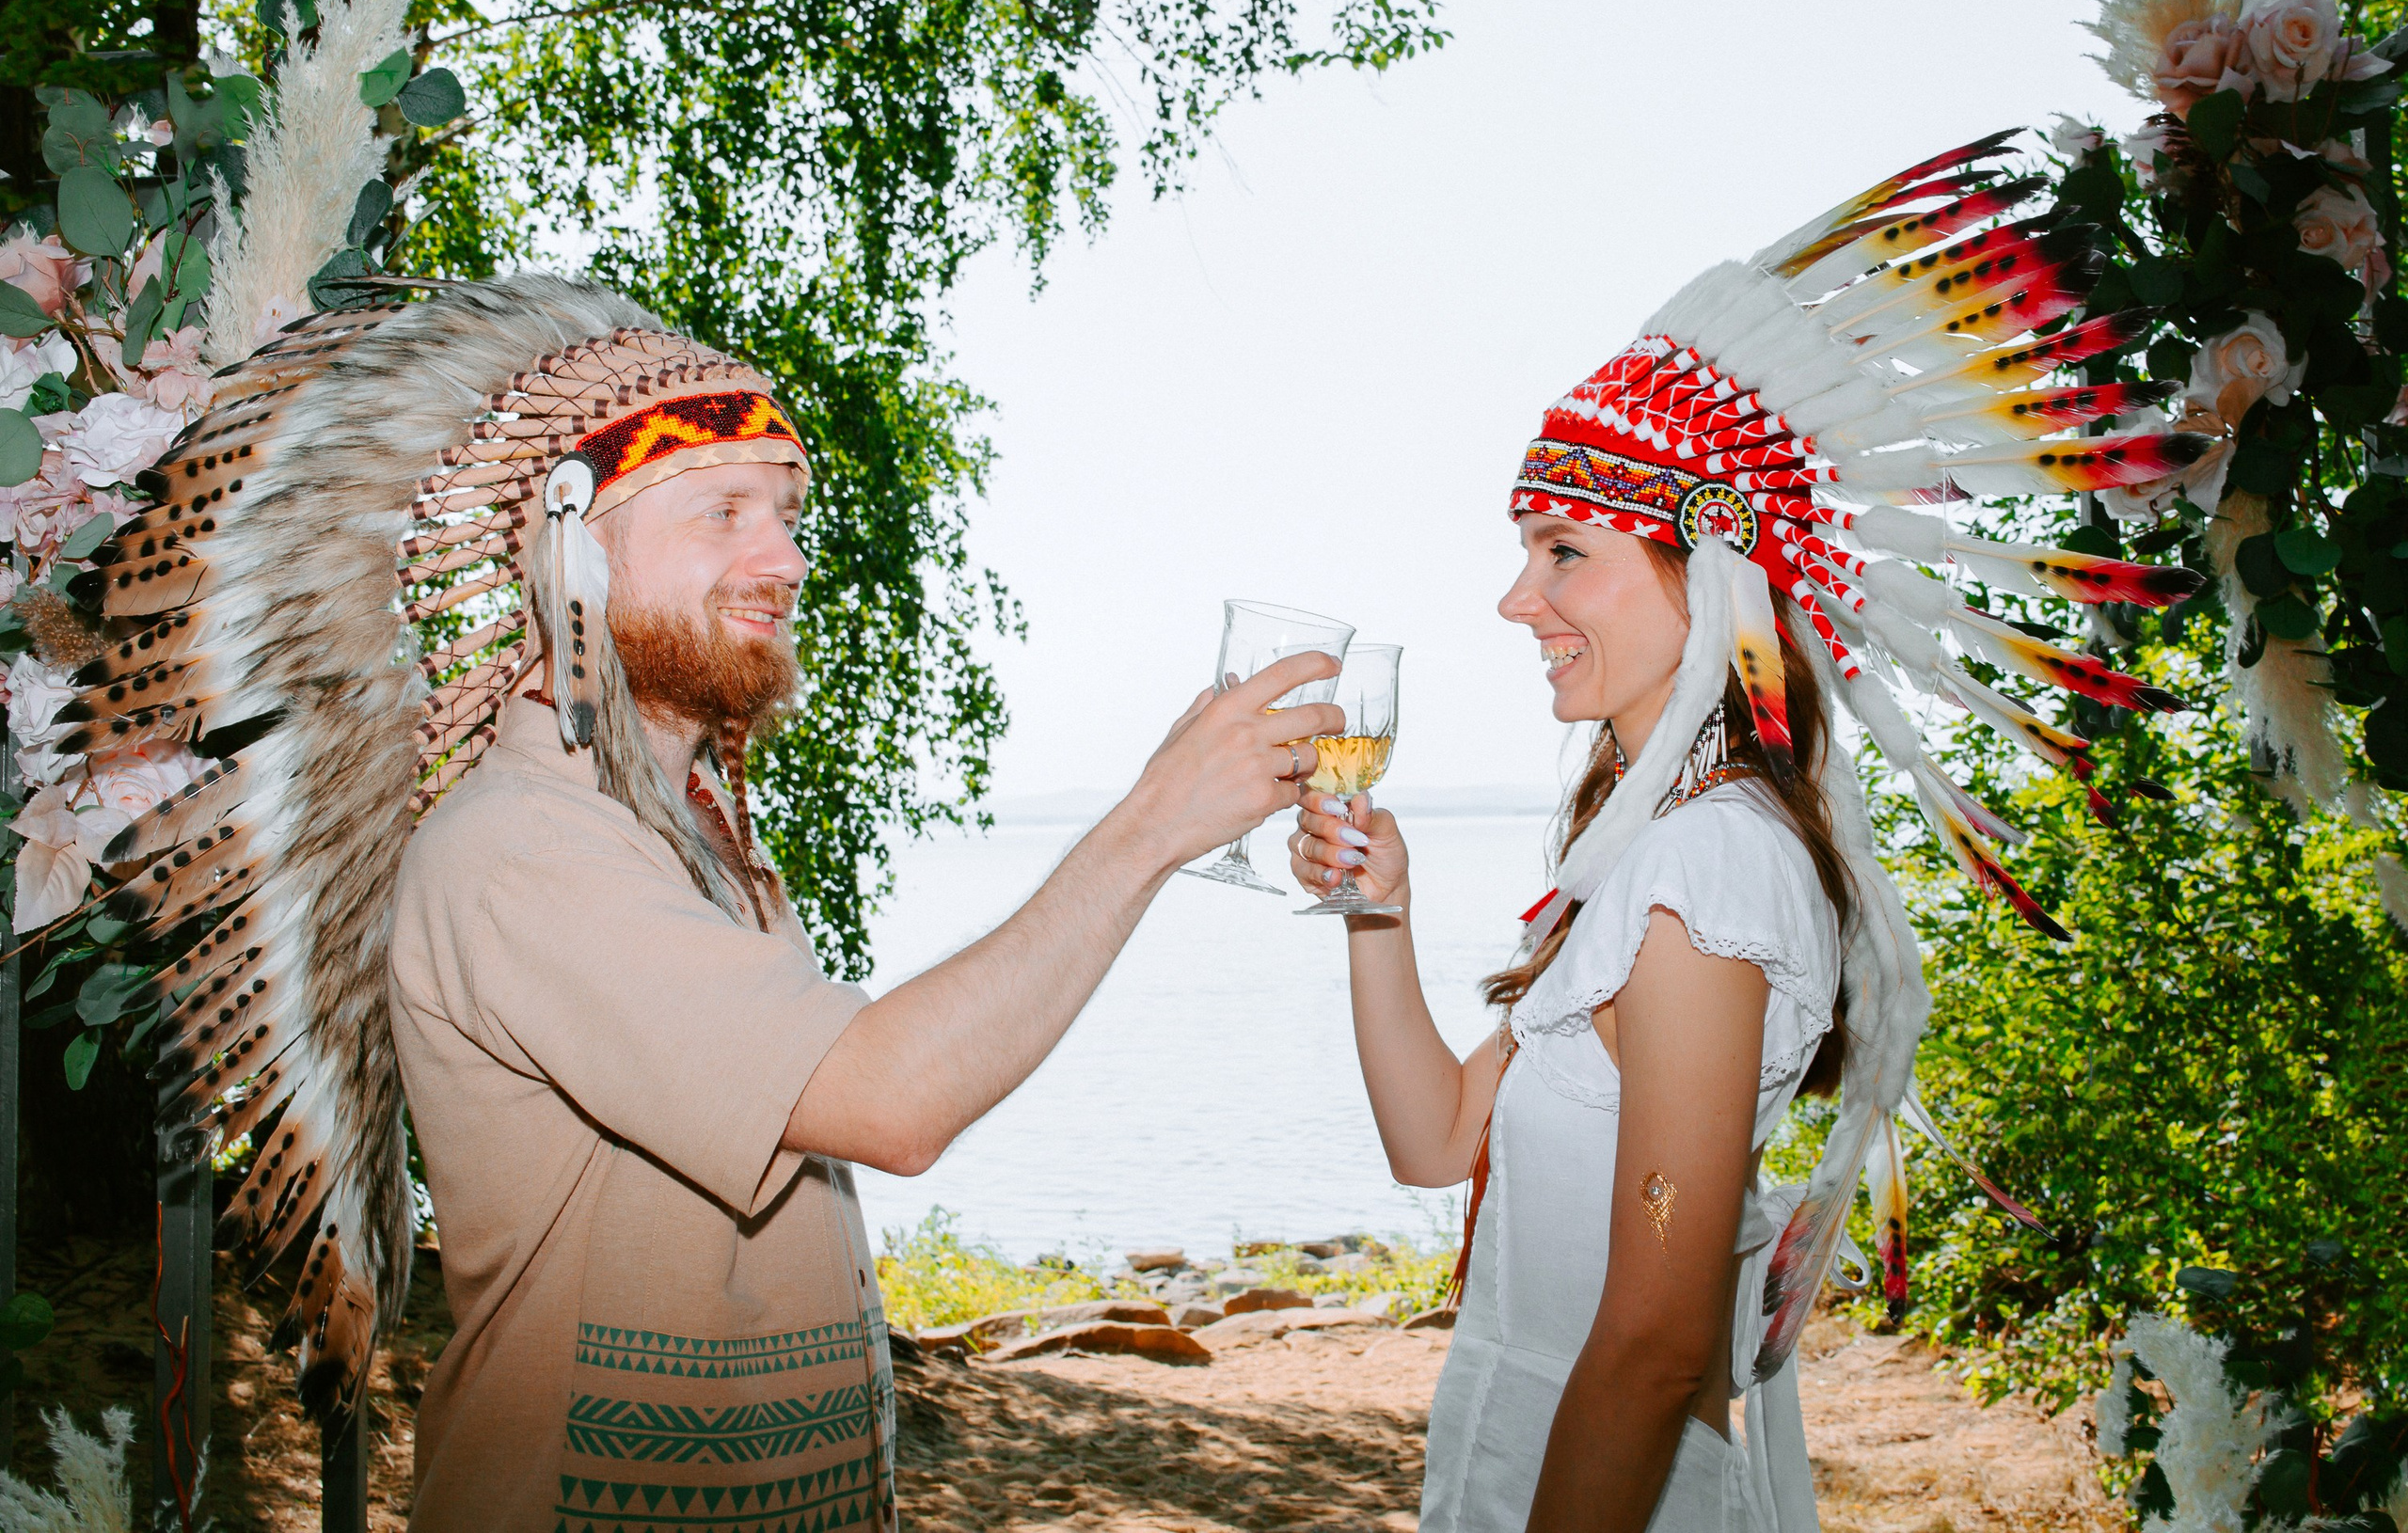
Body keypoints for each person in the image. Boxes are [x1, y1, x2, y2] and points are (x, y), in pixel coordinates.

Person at [71, 277, 1338, 1529]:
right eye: (723, 510)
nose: (783, 557)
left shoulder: (677, 829)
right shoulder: (525, 849)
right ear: (570, 551)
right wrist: (1153, 825)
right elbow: (886, 1102)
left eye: (787, 514)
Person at [1289, 132, 2202, 1533]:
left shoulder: (1708, 871)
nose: (1514, 600)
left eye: (1564, 553)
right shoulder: (1640, 865)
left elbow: (1657, 1344)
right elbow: (1434, 1142)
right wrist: (1377, 912)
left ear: (1706, 574)